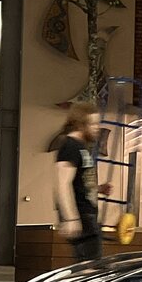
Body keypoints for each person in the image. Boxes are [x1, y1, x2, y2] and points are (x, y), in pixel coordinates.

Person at [54, 101, 103, 261]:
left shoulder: (81, 148)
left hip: (87, 214)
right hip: (81, 215)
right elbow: (63, 184)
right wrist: (71, 218)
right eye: (93, 124)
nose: (97, 128)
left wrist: (98, 189)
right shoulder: (70, 146)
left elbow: (80, 182)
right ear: (81, 124)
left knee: (91, 264)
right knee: (89, 267)